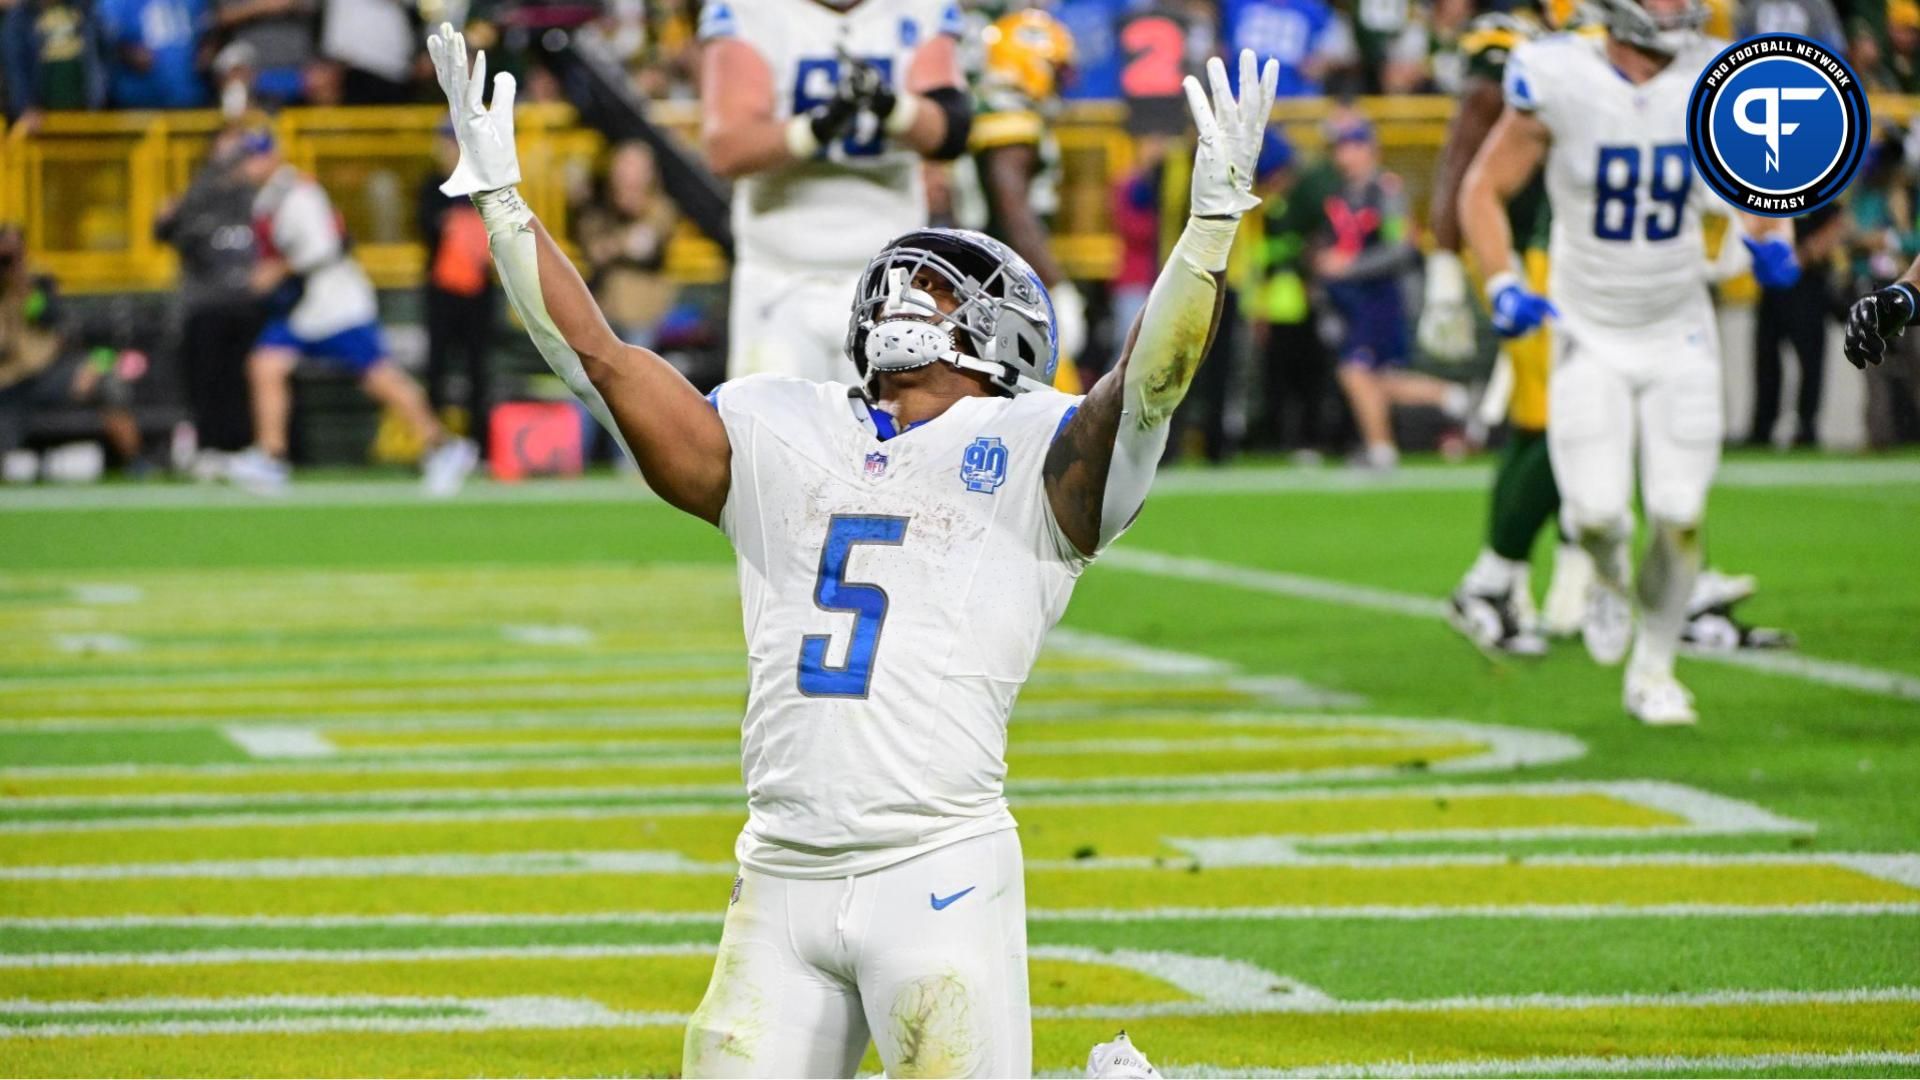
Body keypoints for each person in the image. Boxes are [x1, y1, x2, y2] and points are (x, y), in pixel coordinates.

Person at [428, 23, 1277, 1076]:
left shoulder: (1029, 450)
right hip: (777, 875)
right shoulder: (785, 425)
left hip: (936, 871)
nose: (911, 286)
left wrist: (1205, 231)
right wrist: (503, 201)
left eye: (942, 283)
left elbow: (1146, 389)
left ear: (1002, 338)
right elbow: (597, 357)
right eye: (906, 275)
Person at [1458, 0, 1799, 725]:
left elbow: (1763, 191)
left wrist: (1774, 239)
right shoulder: (1558, 75)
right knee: (1598, 513)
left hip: (1680, 328)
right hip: (1588, 327)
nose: (1683, 4)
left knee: (1679, 512)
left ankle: (1655, 671)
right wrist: (1502, 282)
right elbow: (1483, 187)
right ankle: (1609, 577)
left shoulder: (1722, 74)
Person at [697, 0, 973, 384]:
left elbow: (950, 131)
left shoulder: (918, 8)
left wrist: (889, 105)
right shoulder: (750, 10)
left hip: (888, 278)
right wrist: (820, 126)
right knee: (769, 432)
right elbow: (727, 149)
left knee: (883, 437)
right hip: (780, 276)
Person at [1426, 0, 1577, 655]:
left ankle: (1521, 583)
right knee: (1563, 422)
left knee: (1540, 422)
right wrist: (1447, 271)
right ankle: (1493, 582)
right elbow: (1467, 149)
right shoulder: (1507, 39)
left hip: (1563, 253)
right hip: (1527, 258)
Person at [226, 130, 477, 496]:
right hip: (305, 307)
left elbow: (326, 246)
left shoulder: (298, 193)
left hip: (334, 302)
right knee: (266, 364)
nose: (250, 165)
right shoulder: (268, 197)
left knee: (380, 378)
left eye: (256, 156)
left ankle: (443, 447)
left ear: (273, 156)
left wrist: (277, 270)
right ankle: (271, 457)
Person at [1318, 115, 1469, 470]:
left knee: (1355, 372)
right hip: (1353, 300)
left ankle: (1381, 449)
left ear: (1370, 149)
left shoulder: (1386, 191)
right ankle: (1452, 397)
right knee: (1378, 380)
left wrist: (1348, 266)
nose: (1344, 155)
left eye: (1351, 146)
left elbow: (1399, 248)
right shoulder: (1343, 195)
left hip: (1382, 296)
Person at [961, 7, 1087, 377]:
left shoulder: (990, 110)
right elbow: (1013, 209)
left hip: (988, 278)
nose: (1063, 81)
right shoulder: (1010, 119)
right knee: (1053, 397)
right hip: (1002, 285)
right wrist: (1054, 286)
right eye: (1057, 69)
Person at [155, 128, 264, 463]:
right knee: (208, 380)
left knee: (246, 379)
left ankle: (247, 448)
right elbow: (165, 233)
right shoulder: (198, 193)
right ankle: (208, 448)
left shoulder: (258, 196)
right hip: (206, 302)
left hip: (248, 302)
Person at [0, 226, 142, 470]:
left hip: (46, 373)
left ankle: (136, 462)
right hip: (7, 379)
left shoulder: (38, 281)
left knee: (106, 377)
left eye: (14, 252)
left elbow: (48, 316)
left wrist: (20, 282)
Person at [420, 120, 498, 453]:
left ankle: (480, 446)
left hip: (479, 290)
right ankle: (434, 444)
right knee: (436, 369)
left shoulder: (485, 184)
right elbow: (428, 228)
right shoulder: (433, 185)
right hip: (443, 290)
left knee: (477, 370)